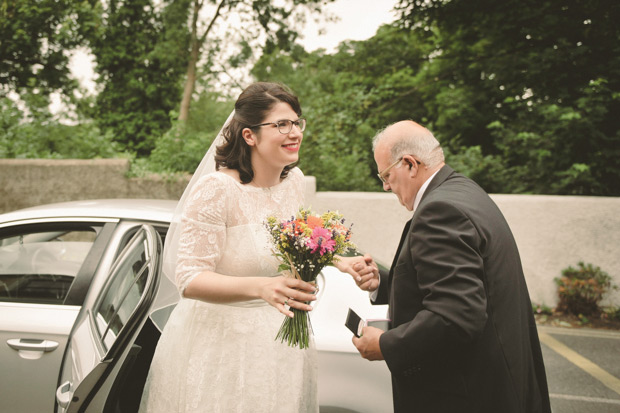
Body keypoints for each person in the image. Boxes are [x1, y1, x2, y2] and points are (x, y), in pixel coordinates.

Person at [139, 82, 320, 412]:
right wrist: (262, 287)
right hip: (220, 347)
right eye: (281, 124)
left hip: (279, 344)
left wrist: (339, 260)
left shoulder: (295, 182)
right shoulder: (216, 189)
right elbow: (190, 279)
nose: (294, 132)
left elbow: (293, 248)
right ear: (249, 135)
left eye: (297, 122)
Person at [349, 120, 552, 413]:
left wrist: (386, 345)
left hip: (467, 395)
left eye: (386, 174)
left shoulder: (439, 211)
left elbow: (456, 314)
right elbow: (456, 282)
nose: (385, 186)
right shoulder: (463, 190)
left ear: (409, 164)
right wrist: (382, 282)